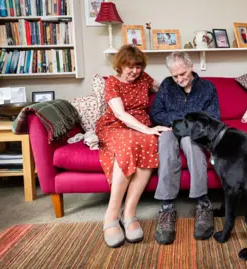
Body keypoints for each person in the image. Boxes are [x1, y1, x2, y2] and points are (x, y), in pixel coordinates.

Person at [95, 45, 171, 248]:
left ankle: (129, 212)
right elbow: (119, 114)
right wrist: (146, 129)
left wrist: (185, 85)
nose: (134, 71)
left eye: (138, 66)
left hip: (140, 128)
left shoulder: (143, 78)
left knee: (150, 142)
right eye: (130, 67)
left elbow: (165, 88)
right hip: (115, 126)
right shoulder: (112, 82)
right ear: (120, 65)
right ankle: (111, 214)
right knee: (129, 144)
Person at [150, 51, 221, 244]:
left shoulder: (207, 87)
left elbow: (213, 116)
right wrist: (174, 122)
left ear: (191, 66)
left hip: (194, 131)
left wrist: (189, 125)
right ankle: (166, 207)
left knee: (192, 144)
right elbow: (156, 111)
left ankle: (203, 203)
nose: (179, 79)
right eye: (175, 76)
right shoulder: (166, 85)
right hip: (170, 128)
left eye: (183, 74)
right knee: (165, 143)